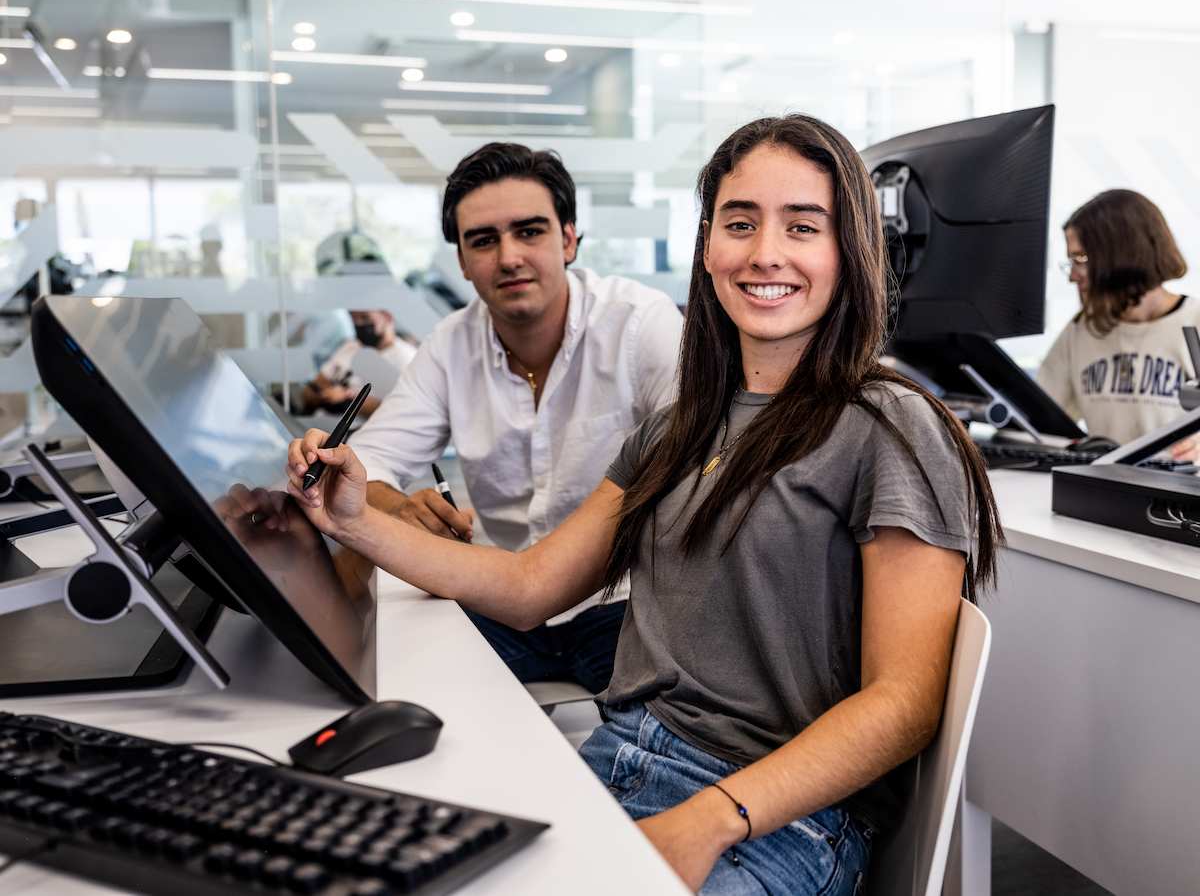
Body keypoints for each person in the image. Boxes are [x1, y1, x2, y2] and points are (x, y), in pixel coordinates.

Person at [279, 114, 1001, 894]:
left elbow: (905, 702)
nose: (765, 253)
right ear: (708, 248)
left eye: (803, 226)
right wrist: (351, 519)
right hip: (622, 758)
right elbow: (528, 590)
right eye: (740, 223)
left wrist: (713, 815)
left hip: (776, 817)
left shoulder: (891, 427)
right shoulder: (680, 425)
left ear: (848, 250)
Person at [341, 142, 684, 694]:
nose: (508, 258)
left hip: (622, 606)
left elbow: (702, 471)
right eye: (483, 240)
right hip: (498, 604)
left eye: (530, 231)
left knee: (652, 746)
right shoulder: (450, 345)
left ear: (569, 239)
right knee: (390, 685)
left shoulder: (640, 324)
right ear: (461, 262)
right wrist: (402, 508)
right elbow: (365, 463)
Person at [1038, 189, 1195, 457]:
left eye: (1081, 259)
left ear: (1121, 255)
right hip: (1107, 489)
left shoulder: (1195, 321)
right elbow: (1037, 418)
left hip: (1178, 492)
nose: (1073, 276)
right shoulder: (1081, 330)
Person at [298, 309, 417, 417]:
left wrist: (347, 398)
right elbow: (316, 385)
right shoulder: (352, 346)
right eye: (354, 319)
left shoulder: (407, 360)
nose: (359, 324)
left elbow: (397, 410)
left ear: (387, 316)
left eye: (365, 318)